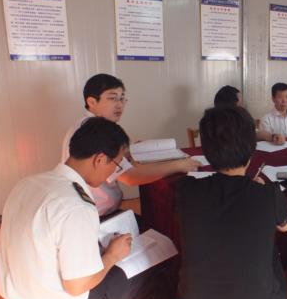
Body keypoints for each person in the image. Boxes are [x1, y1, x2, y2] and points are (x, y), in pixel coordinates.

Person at [0, 118, 173, 299]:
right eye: (116, 164)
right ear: (99, 159)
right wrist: (112, 255)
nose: (114, 173)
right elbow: (78, 285)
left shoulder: (28, 183)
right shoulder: (76, 205)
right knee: (148, 272)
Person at [176, 106, 287, 299]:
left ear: (206, 151)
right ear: (252, 149)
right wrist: (266, 191)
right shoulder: (267, 194)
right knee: (271, 251)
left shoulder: (186, 190)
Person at [61, 73, 200, 217]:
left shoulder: (84, 125)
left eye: (122, 98)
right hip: (99, 216)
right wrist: (179, 165)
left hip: (94, 210)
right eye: (112, 98)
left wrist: (127, 151)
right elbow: (131, 177)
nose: (119, 105)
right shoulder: (95, 132)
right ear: (91, 101)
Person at [213, 84, 286, 145]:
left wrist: (272, 137)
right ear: (231, 105)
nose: (244, 105)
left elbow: (254, 134)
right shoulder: (214, 125)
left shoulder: (242, 118)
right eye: (241, 102)